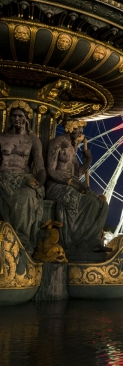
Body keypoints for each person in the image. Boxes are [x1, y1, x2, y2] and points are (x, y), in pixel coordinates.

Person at [46, 119, 108, 254]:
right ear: (68, 127)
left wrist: (88, 161)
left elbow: (77, 173)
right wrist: (71, 182)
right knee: (89, 202)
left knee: (102, 204)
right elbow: (51, 171)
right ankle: (78, 241)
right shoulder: (58, 143)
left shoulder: (72, 148)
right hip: (58, 185)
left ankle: (94, 240)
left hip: (72, 184)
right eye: (77, 128)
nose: (80, 132)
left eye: (81, 129)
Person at [0, 101, 46, 253]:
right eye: (13, 116)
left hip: (22, 178)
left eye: (20, 116)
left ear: (27, 118)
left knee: (25, 196)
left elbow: (40, 168)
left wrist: (39, 182)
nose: (16, 119)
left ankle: (20, 239)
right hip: (3, 177)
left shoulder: (33, 140)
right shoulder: (2, 137)